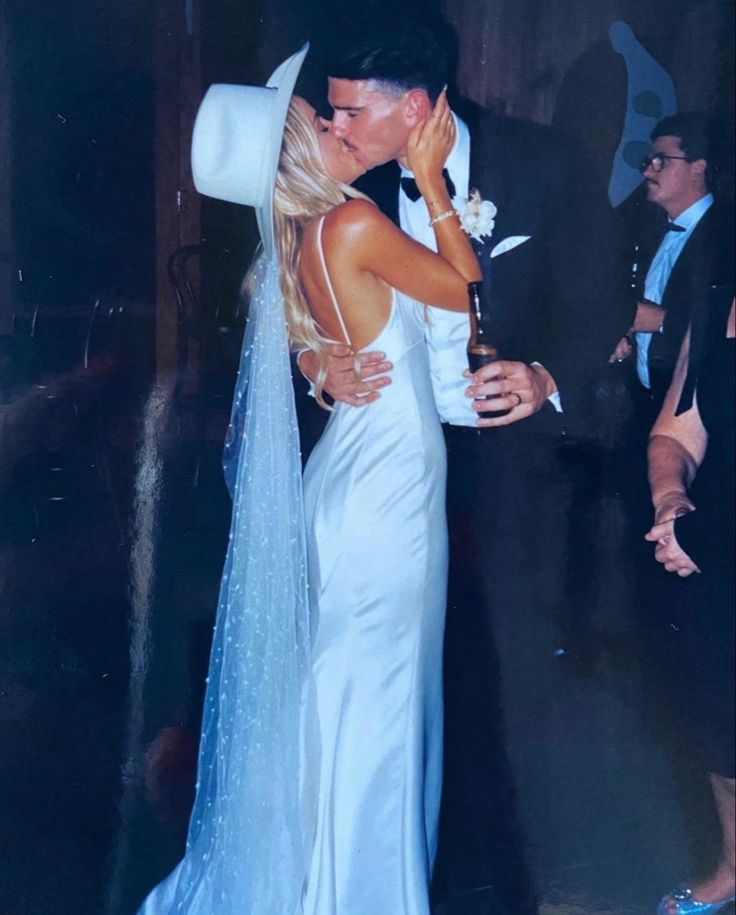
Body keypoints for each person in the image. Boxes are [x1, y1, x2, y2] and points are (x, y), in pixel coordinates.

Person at [136, 46, 483, 915]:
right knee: (375, 701)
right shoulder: (354, 225)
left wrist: (318, 359)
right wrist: (434, 183)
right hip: (386, 487)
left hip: (356, 476)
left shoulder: (298, 240)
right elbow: (463, 293)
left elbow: (330, 341)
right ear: (295, 157)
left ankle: (321, 885)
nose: (335, 128)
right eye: (318, 126)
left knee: (343, 696)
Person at [298, 19, 629, 911]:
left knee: (518, 674)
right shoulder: (342, 177)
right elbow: (292, 297)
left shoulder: (546, 161)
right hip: (391, 464)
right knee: (391, 685)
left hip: (509, 462)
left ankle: (534, 880)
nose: (336, 129)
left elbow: (601, 302)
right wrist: (314, 362)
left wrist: (547, 371)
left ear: (416, 106)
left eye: (351, 113)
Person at [646, 283, 735, 915]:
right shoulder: (716, 303)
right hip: (716, 550)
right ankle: (735, 861)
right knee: (720, 720)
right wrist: (672, 501)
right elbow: (674, 436)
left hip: (719, 541)